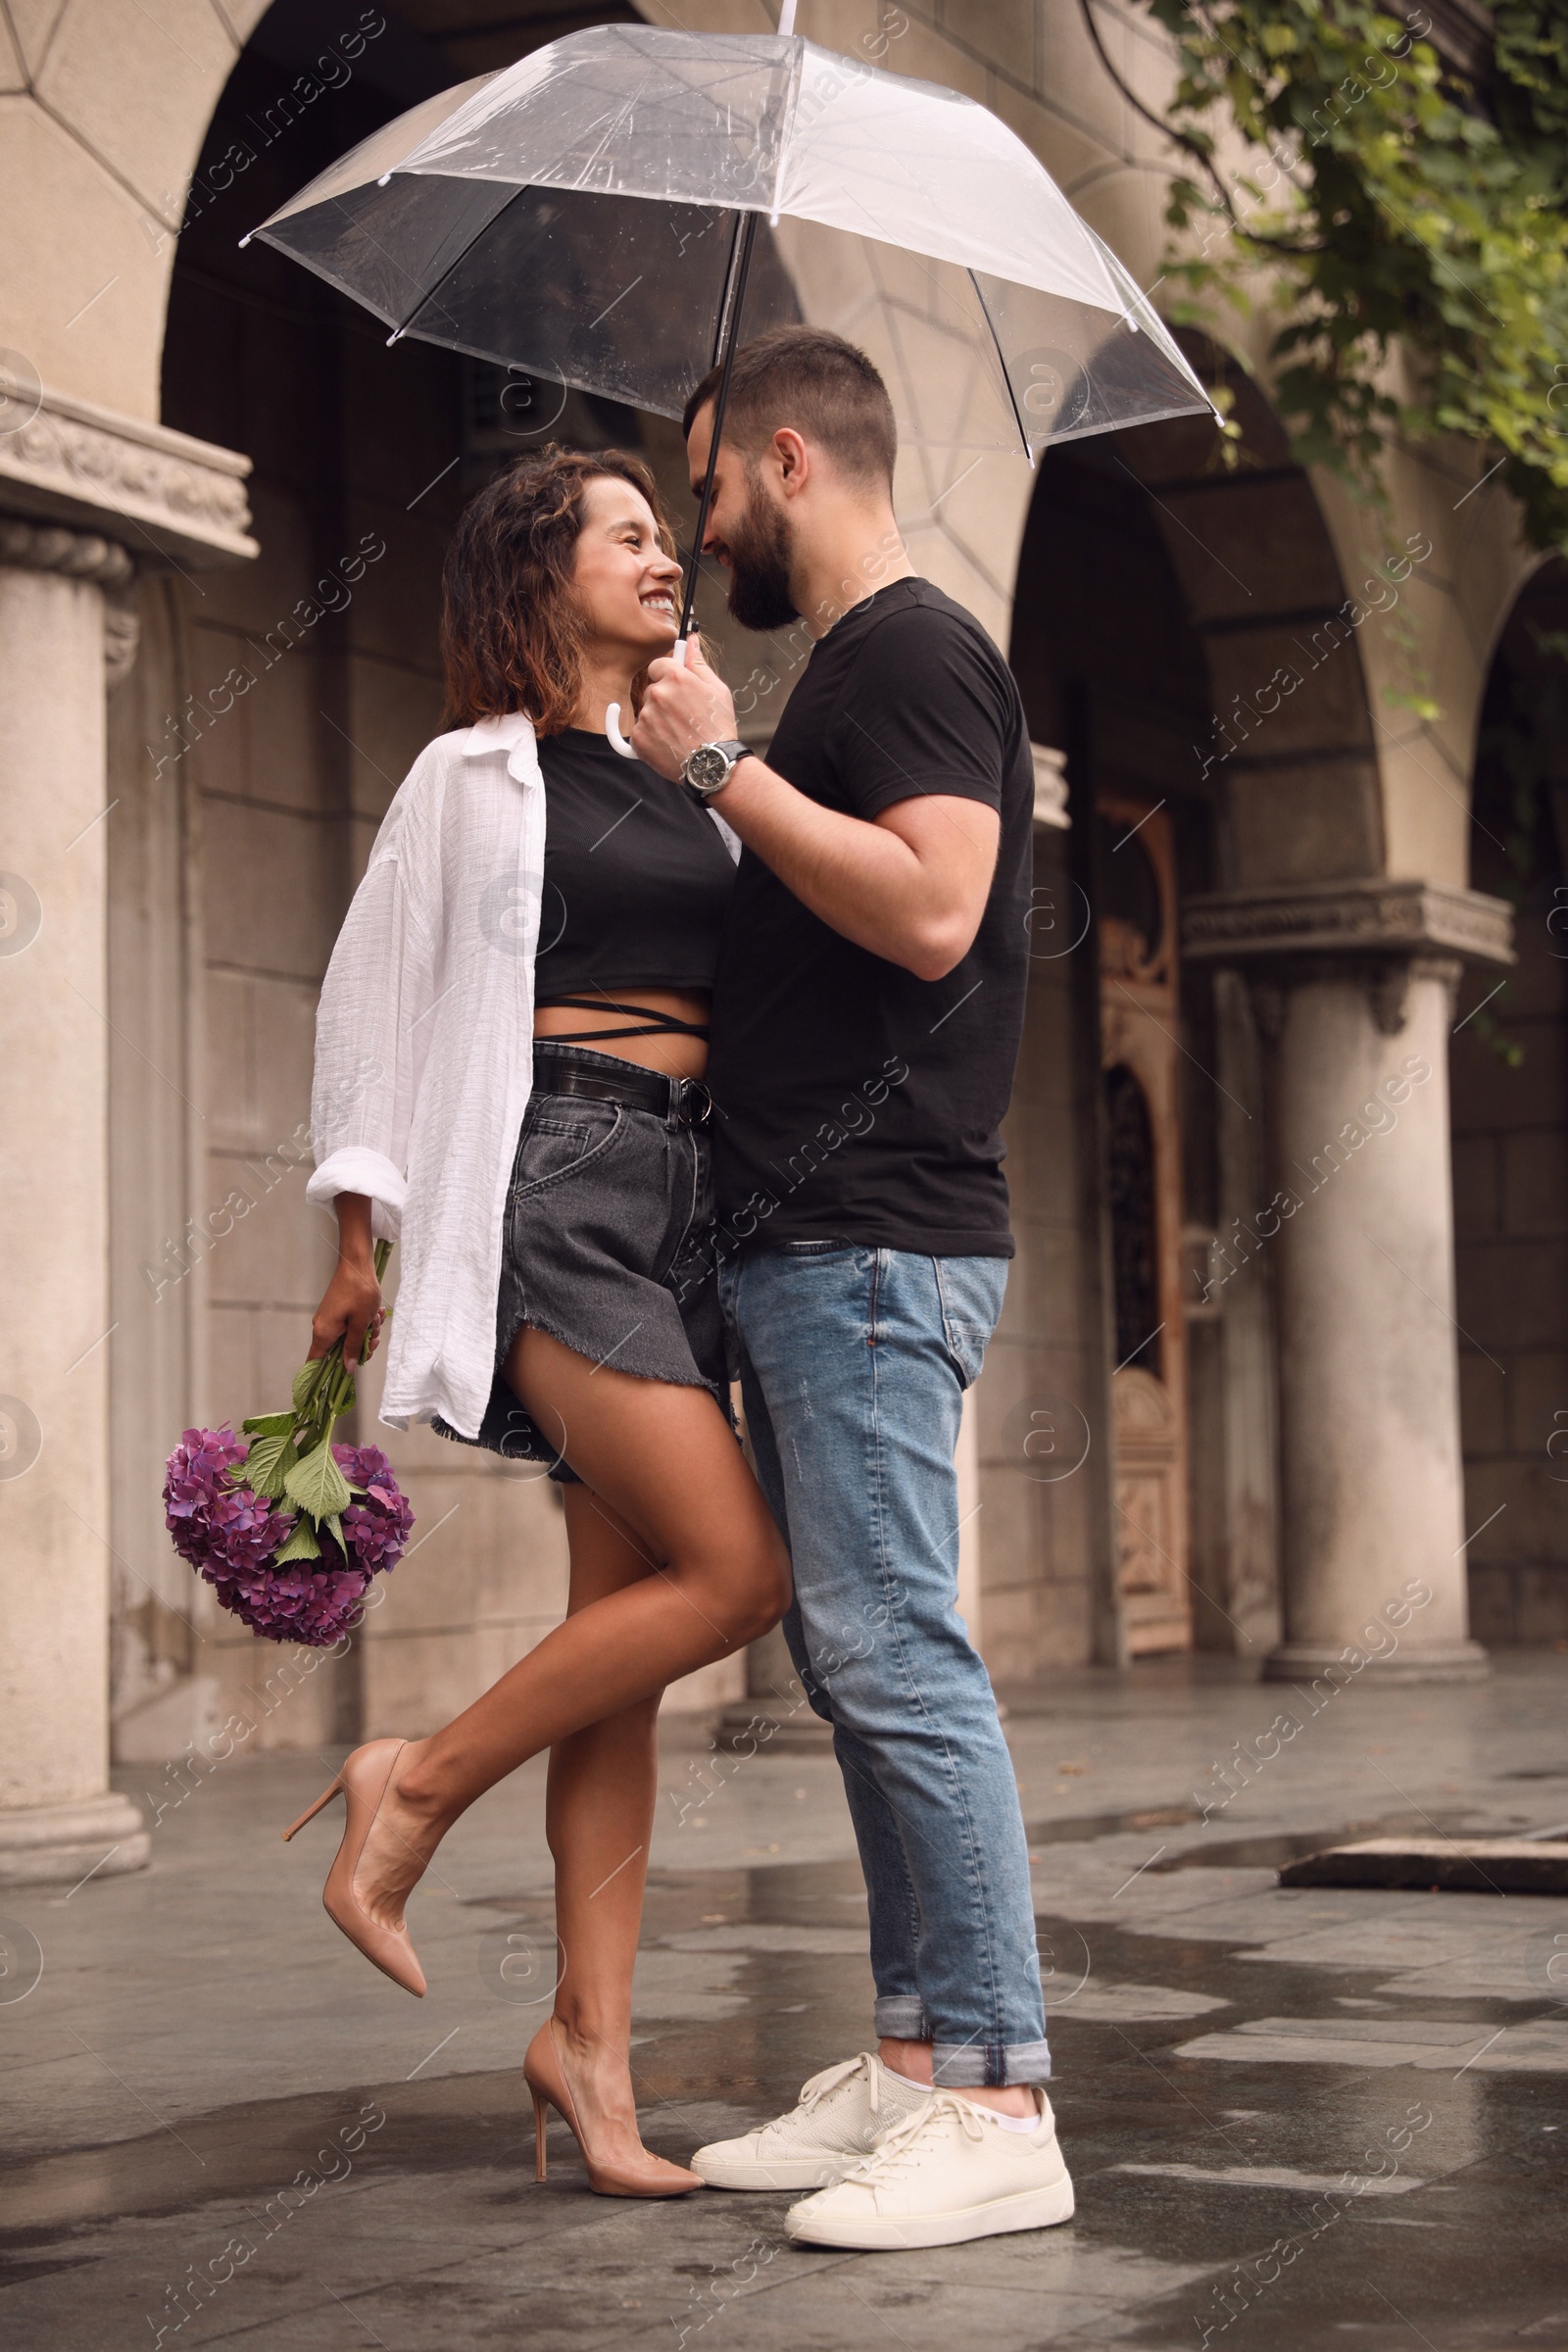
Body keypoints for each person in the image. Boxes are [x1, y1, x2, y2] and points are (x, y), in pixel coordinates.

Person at [288, 446, 791, 2199]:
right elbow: (371, 998)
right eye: (632, 537)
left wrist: (721, 750)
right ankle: (410, 1788)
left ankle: (591, 2049)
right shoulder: (470, 779)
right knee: (738, 1578)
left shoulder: (694, 771)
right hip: (555, 1183)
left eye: (672, 535)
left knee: (624, 1652)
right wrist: (361, 1238)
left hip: (688, 1198)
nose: (667, 557)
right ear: (539, 570)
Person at [629, 325, 1075, 2250]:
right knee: (854, 1659)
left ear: (788, 458)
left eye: (706, 483)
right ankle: (909, 2062)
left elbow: (929, 905)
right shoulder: (855, 671)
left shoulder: (908, 653)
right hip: (827, 1245)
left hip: (877, 1241)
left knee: (898, 1657)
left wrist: (718, 764)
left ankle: (995, 2095)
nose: (695, 520)